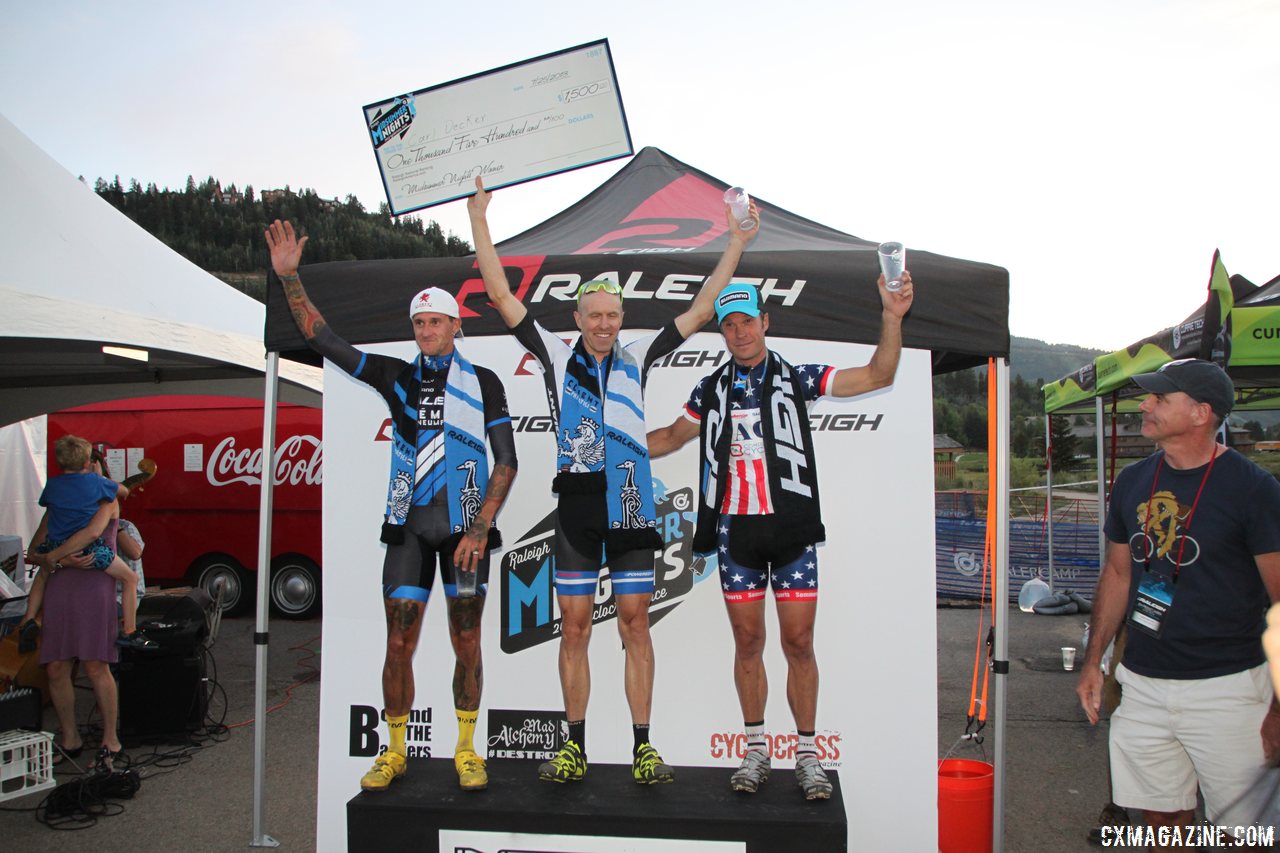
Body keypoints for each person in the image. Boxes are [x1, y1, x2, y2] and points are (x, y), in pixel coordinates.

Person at [468, 175, 757, 785]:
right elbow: (498, 293)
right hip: (575, 508)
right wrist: (480, 221)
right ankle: (573, 746)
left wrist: (734, 242)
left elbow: (705, 305)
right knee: (573, 628)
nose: (603, 324)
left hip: (630, 506)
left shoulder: (642, 353)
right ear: (577, 317)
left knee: (633, 626)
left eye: (612, 315)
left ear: (622, 318)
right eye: (593, 315)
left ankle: (643, 747)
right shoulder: (552, 354)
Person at [265, 219, 517, 793]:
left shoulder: (485, 383)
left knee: (467, 641)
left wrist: (479, 529)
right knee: (398, 641)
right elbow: (323, 340)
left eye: (436, 322)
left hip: (464, 535)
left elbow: (507, 460)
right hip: (407, 528)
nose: (427, 330)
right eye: (420, 323)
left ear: (457, 325)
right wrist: (289, 280)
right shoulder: (395, 375)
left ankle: (465, 748)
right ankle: (396, 749)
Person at [647, 270, 914, 800]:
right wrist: (610, 446)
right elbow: (672, 438)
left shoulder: (798, 377)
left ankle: (808, 757)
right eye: (730, 325)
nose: (740, 332)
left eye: (749, 321)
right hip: (734, 534)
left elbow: (879, 374)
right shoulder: (711, 388)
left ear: (765, 322)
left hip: (790, 529)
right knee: (748, 641)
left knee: (799, 643)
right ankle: (754, 752)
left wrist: (891, 315)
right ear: (720, 332)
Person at [1075, 358, 1280, 835]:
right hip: (1143, 684)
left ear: (1200, 413)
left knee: (1241, 832)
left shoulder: (1255, 490)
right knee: (1163, 819)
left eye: (1160, 398)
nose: (1144, 404)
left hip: (1230, 689)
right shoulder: (1131, 481)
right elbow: (1119, 574)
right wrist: (1094, 662)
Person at [17, 436, 154, 652]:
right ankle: (129, 631)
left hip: (54, 544)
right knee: (130, 578)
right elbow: (123, 492)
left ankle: (28, 619)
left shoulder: (52, 485)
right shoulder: (97, 483)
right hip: (87, 548)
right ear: (86, 463)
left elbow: (47, 507)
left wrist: (53, 557)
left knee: (42, 575)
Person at [27, 490, 127, 769]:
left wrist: (55, 556)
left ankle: (111, 739)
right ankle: (70, 737)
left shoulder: (106, 501)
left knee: (96, 664)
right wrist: (61, 561)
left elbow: (95, 533)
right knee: (56, 667)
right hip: (60, 586)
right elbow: (33, 553)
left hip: (95, 587)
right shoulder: (57, 504)